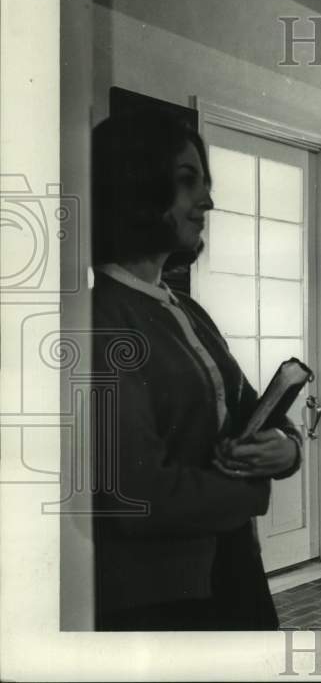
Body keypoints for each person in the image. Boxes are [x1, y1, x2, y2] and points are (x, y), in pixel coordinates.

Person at [90, 109, 302, 630]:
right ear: (136, 185)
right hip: (162, 597)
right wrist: (254, 489)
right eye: (188, 182)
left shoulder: (187, 310)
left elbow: (256, 409)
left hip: (231, 568)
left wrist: (286, 448)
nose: (206, 201)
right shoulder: (102, 318)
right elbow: (138, 495)